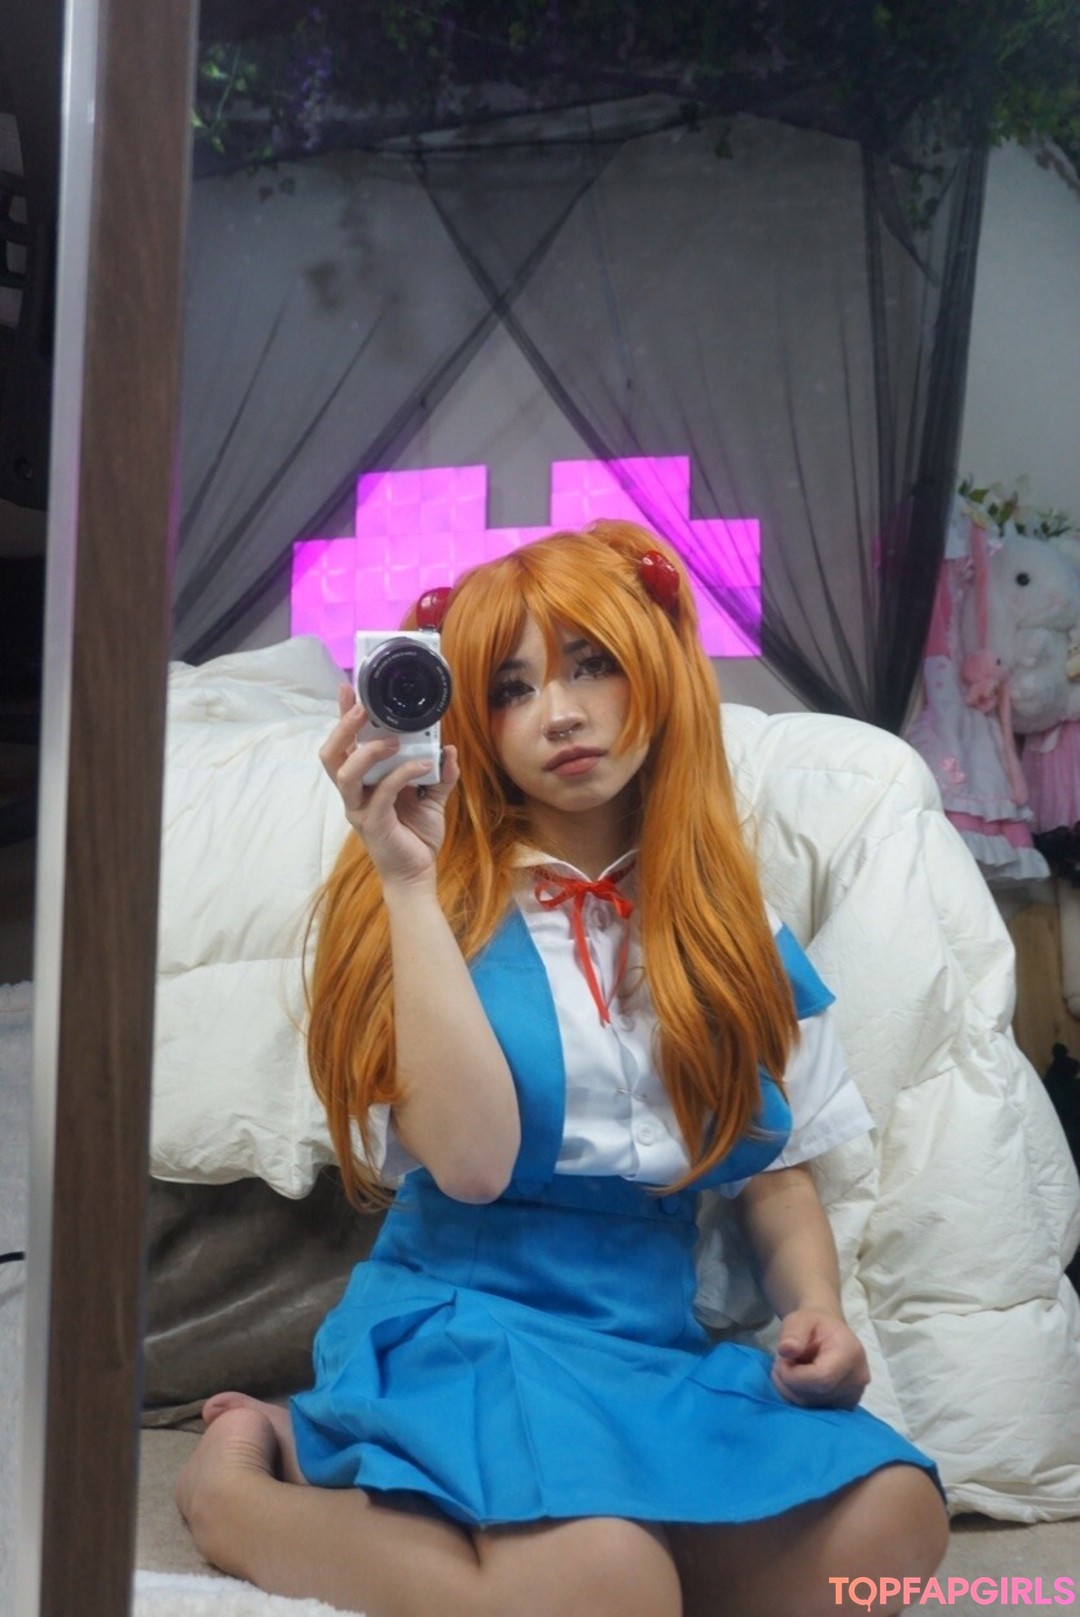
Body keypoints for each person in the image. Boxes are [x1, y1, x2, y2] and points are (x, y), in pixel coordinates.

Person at [177, 522, 949, 1616]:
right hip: (466, 1318)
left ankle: (590, 1556)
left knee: (893, 1517)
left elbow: (776, 1172)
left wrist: (815, 1305)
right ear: (470, 720)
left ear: (656, 675)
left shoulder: (736, 929)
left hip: (645, 1341)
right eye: (512, 687)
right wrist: (406, 878)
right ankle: (238, 1494)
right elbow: (473, 1167)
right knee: (605, 1581)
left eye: (592, 665)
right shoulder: (433, 916)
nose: (562, 713)